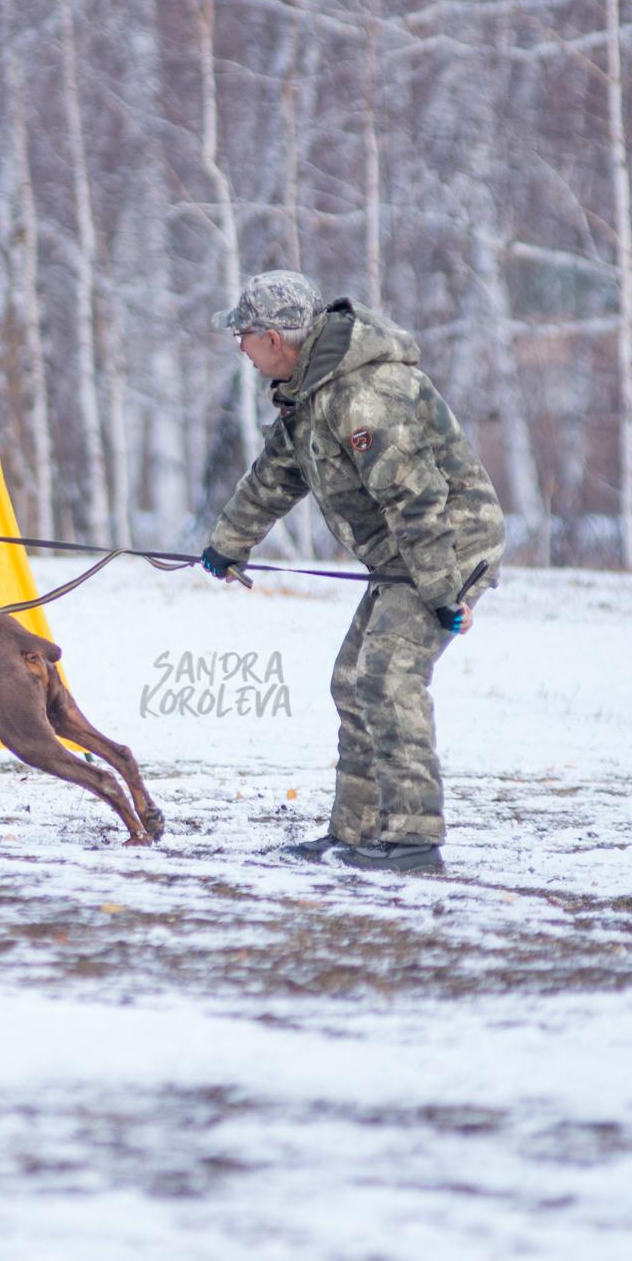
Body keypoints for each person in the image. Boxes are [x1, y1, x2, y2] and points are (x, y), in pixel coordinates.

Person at [200, 271, 504, 873]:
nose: (240, 346)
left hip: (445, 544)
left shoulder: (364, 394)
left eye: (245, 335)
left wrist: (446, 594)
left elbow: (416, 500)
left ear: (275, 338)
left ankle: (414, 842)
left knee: (388, 680)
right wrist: (228, 545)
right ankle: (356, 833)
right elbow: (275, 475)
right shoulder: (310, 392)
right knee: (353, 680)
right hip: (405, 554)